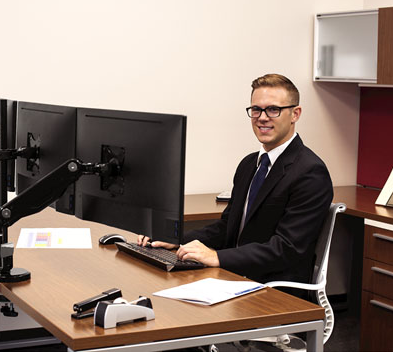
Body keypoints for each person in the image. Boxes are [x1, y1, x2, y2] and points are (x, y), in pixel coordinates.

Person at [138, 73, 333, 289]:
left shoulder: (310, 172)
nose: (262, 117)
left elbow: (286, 248)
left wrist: (217, 257)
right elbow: (227, 227)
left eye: (273, 109)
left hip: (274, 288)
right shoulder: (249, 164)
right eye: (256, 109)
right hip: (236, 276)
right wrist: (177, 240)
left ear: (295, 114)